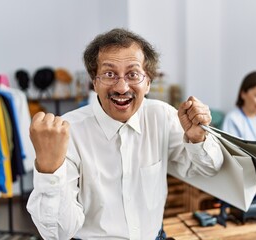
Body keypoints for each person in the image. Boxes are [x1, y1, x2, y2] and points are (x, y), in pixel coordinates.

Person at [26, 28, 223, 240]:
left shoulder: (162, 116)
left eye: (133, 74)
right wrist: (49, 169)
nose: (121, 87)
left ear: (147, 82)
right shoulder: (69, 131)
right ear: (95, 82)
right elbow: (58, 233)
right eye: (109, 74)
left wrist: (197, 137)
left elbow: (208, 169)